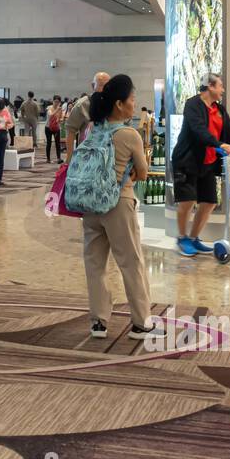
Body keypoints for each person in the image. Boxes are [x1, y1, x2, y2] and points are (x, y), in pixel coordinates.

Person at [78, 75, 164, 341]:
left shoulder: (95, 130)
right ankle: (141, 323)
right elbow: (143, 172)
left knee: (95, 264)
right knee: (131, 262)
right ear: (119, 104)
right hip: (118, 203)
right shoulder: (129, 134)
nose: (134, 103)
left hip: (90, 204)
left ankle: (99, 322)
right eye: (131, 99)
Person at [168, 73, 230, 257]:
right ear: (210, 86)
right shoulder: (192, 105)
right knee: (187, 200)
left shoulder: (220, 110)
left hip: (207, 162)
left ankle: (193, 238)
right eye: (220, 86)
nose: (222, 90)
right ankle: (182, 238)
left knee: (208, 202)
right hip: (187, 160)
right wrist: (219, 144)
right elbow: (198, 129)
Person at [63, 72, 110, 163]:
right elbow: (70, 130)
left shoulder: (114, 104)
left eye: (108, 86)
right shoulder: (82, 105)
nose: (105, 90)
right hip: (87, 157)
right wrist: (69, 157)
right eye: (101, 85)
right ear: (93, 86)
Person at [0, 97, 15, 184]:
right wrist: (5, 126)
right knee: (0, 157)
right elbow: (11, 124)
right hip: (3, 135)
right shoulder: (6, 113)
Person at [44, 95, 65, 163]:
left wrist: (60, 120)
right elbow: (50, 115)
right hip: (48, 127)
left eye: (58, 102)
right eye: (55, 101)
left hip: (56, 128)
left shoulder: (60, 109)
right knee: (49, 143)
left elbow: (62, 117)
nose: (56, 103)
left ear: (59, 102)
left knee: (57, 143)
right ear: (53, 101)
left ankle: (59, 158)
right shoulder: (49, 108)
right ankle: (48, 159)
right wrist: (57, 110)